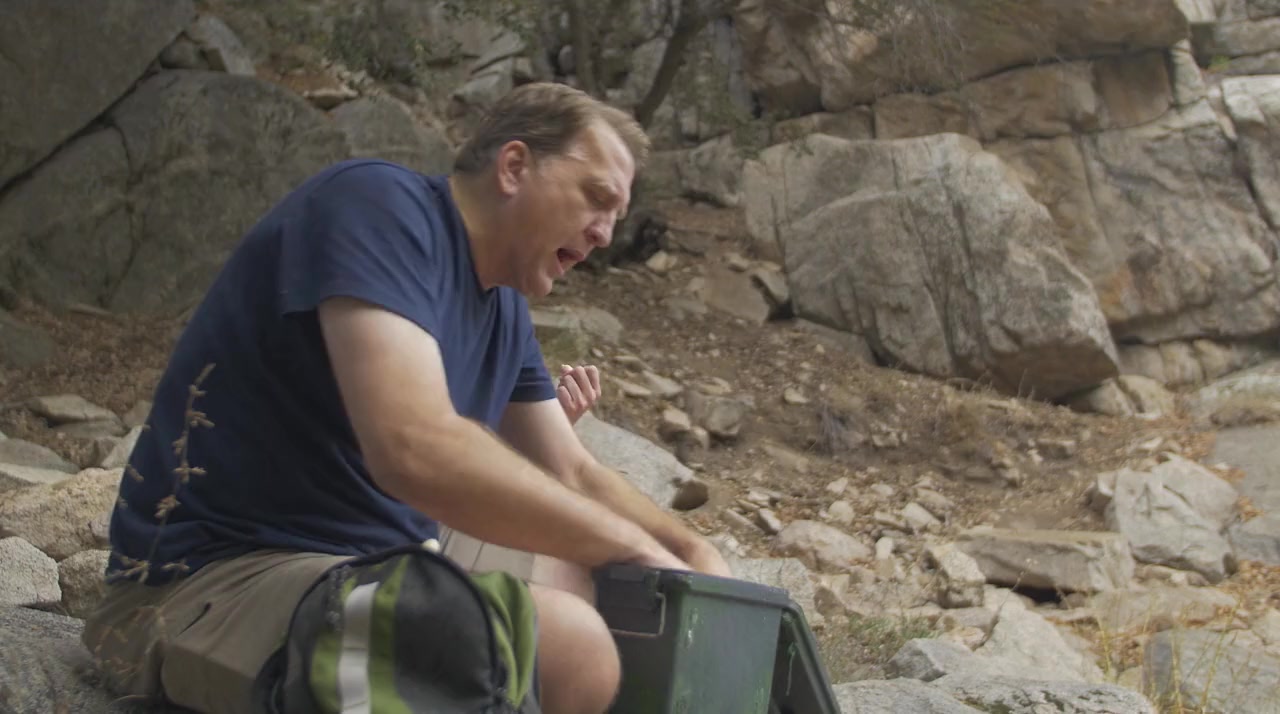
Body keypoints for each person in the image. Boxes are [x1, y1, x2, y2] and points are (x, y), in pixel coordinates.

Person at [84, 82, 731, 714]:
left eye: (616, 216)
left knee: (585, 598)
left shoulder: (504, 309)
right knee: (567, 643)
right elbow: (414, 447)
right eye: (597, 198)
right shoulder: (378, 208)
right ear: (514, 167)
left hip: (352, 576)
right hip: (202, 588)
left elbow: (576, 472)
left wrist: (688, 551)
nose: (605, 235)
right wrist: (627, 545)